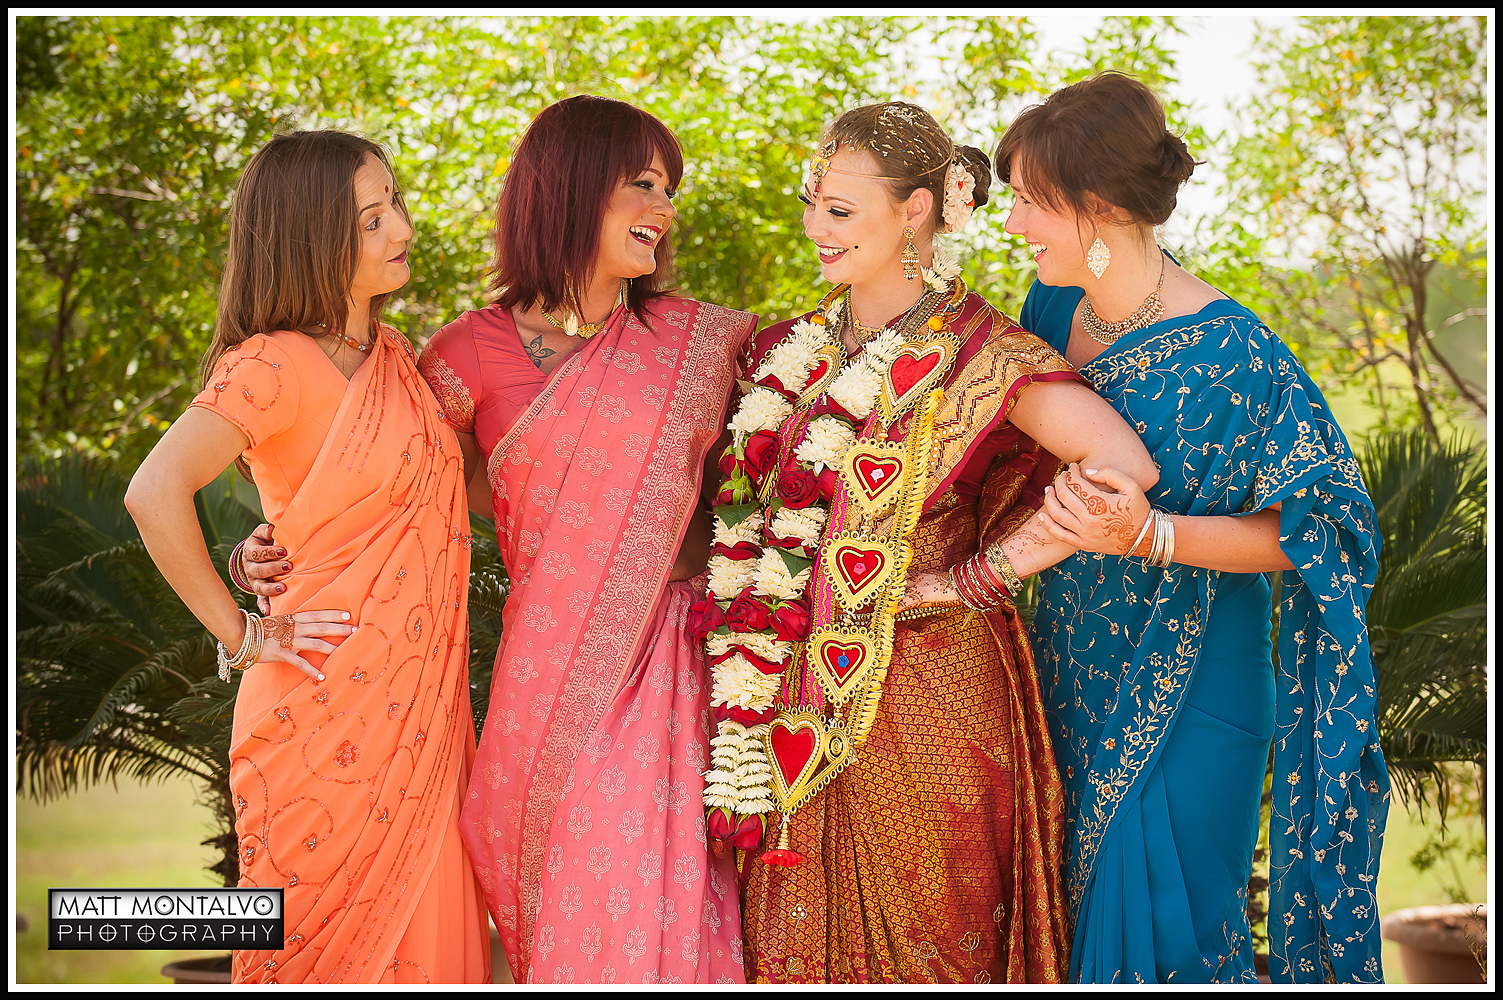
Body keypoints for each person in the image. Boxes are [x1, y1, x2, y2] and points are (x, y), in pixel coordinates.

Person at [245, 97, 754, 983]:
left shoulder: (707, 342)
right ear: (572, 187)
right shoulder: (462, 356)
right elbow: (388, 485)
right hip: (544, 679)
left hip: (673, 668)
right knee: (568, 902)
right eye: (642, 185)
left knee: (652, 908)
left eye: (667, 190)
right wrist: (271, 543)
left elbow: (774, 488)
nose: (664, 209)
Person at [719, 102, 1161, 984]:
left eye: (838, 211)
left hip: (930, 686)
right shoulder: (784, 352)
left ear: (915, 210)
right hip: (785, 693)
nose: (814, 228)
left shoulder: (981, 352)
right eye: (811, 204)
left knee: (934, 944)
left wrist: (977, 579)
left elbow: (1122, 467)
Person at [998, 72, 1389, 983]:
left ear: (1098, 205)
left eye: (1030, 202)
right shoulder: (1050, 308)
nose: (1012, 223)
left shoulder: (1232, 352)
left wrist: (1151, 535)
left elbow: (1321, 531)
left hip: (1192, 686)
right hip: (1062, 672)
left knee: (1166, 949)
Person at [124, 130, 491, 983]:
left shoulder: (397, 359)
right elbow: (153, 491)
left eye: (394, 204)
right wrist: (243, 633)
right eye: (370, 219)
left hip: (424, 719)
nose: (401, 228)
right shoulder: (271, 363)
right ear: (308, 235)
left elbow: (408, 501)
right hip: (320, 712)